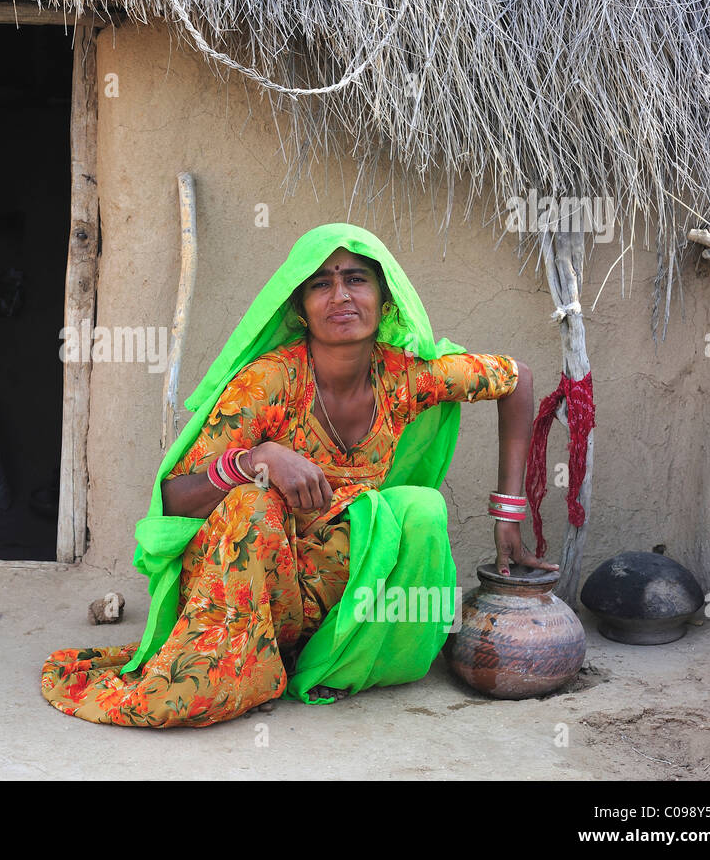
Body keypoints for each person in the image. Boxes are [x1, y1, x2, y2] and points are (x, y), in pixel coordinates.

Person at [40, 223, 556, 727]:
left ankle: (338, 664)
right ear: (300, 307)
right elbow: (174, 500)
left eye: (356, 278)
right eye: (320, 283)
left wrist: (508, 516)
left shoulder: (404, 377)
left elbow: (517, 379)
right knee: (252, 501)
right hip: (259, 585)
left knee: (420, 508)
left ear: (385, 296)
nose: (340, 296)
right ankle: (245, 666)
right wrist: (255, 460)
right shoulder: (270, 381)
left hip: (341, 586)